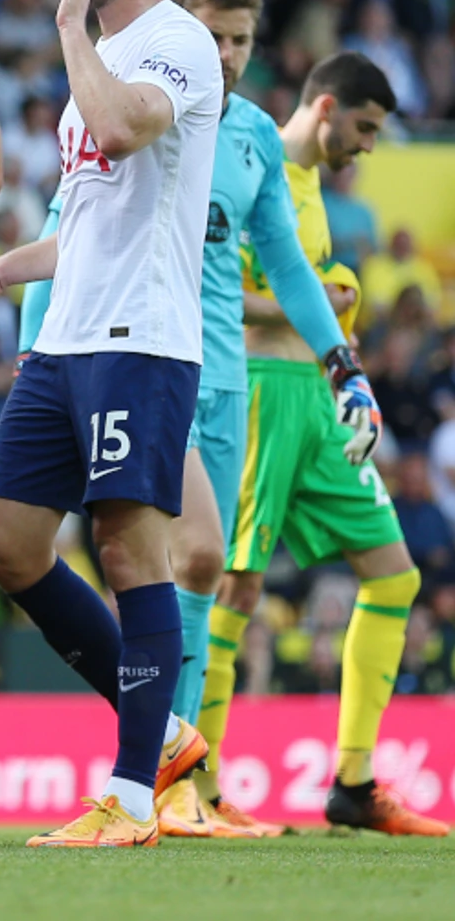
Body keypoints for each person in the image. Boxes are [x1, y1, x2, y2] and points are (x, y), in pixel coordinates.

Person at [14, 0, 366, 838]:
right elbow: (73, 224)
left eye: (243, 39)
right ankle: (162, 760)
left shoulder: (252, 142)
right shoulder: (144, 100)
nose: (229, 53)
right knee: (182, 555)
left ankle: (179, 778)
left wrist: (342, 362)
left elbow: (285, 261)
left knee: (204, 567)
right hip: (143, 357)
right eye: (216, 34)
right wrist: (33, 342)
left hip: (226, 377)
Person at [0, 0, 224, 847]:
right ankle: (168, 733)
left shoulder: (177, 44)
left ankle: (133, 799)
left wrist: (68, 34)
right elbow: (82, 221)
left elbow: (120, 128)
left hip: (140, 339)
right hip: (62, 341)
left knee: (130, 549)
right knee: (9, 546)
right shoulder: (104, 52)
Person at [197, 51, 447, 838]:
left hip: (317, 402)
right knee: (233, 588)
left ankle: (354, 780)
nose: (369, 146)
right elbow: (215, 289)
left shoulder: (311, 190)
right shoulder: (251, 158)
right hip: (262, 393)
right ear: (329, 107)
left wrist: (342, 301)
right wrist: (312, 302)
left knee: (395, 574)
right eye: (365, 128)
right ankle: (194, 786)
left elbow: (317, 283)